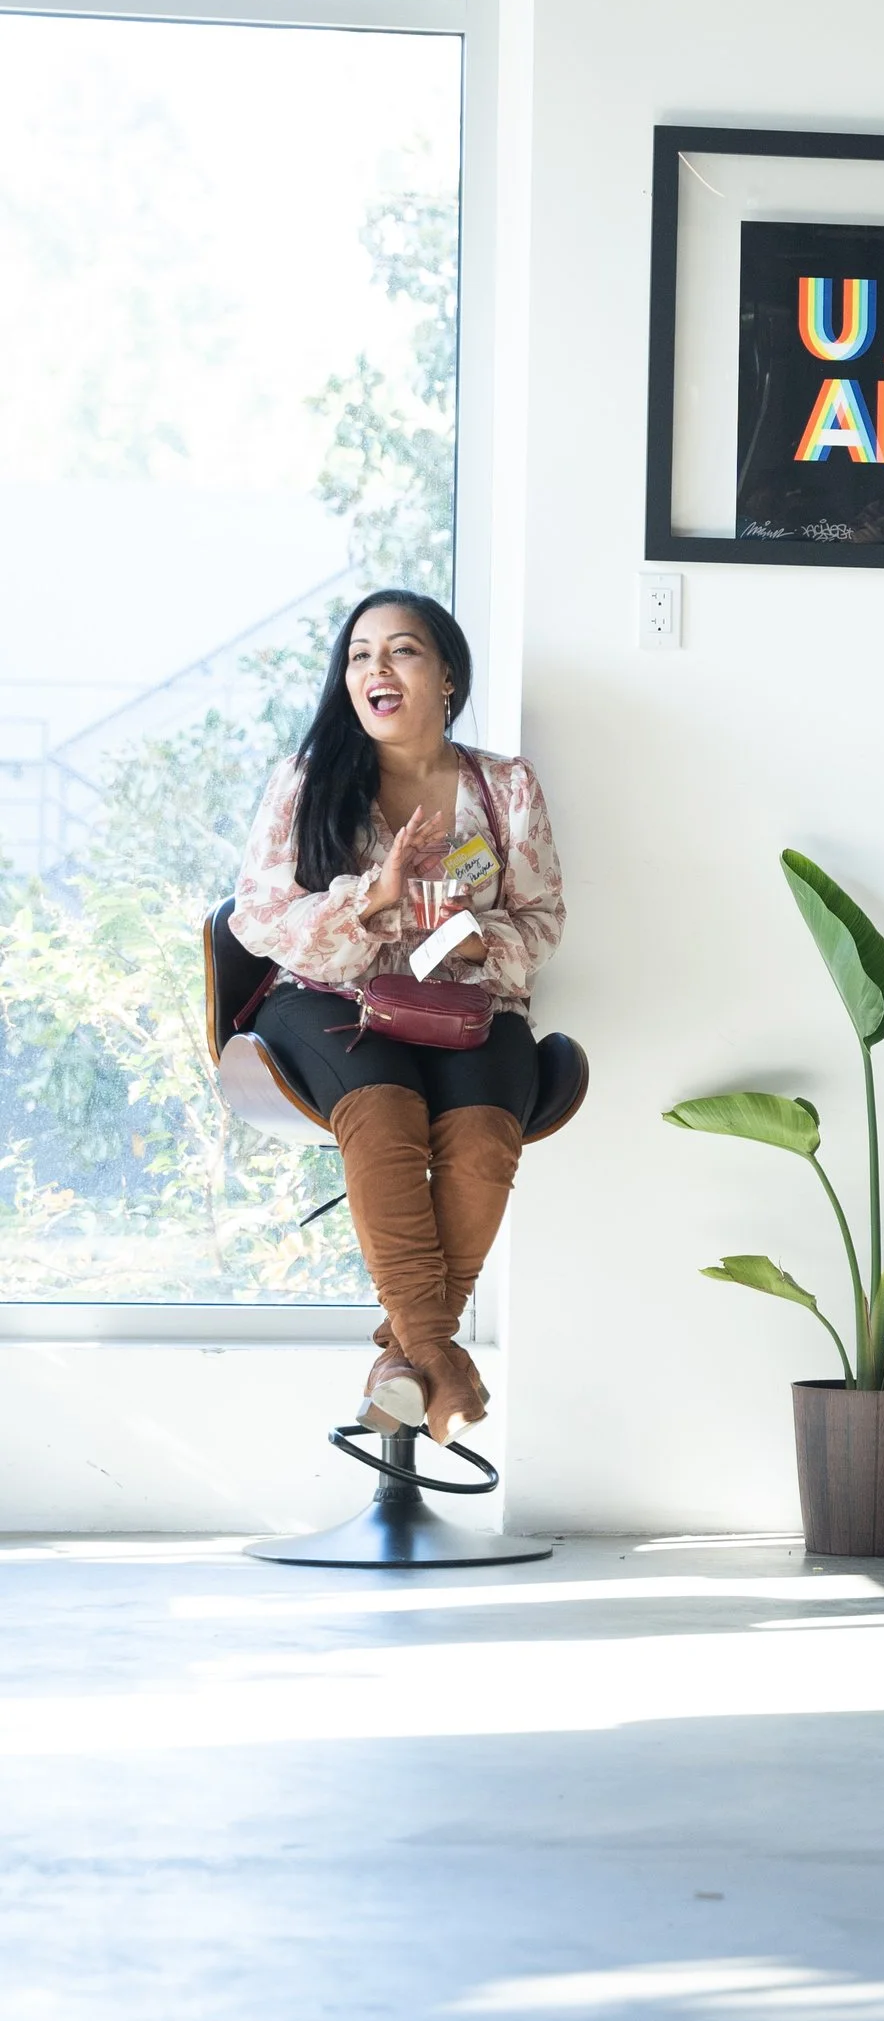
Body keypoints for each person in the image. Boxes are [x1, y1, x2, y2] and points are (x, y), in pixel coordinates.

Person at [230, 590, 564, 1446]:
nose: (376, 668)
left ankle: (401, 1367)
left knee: (485, 1134)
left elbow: (542, 921)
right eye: (359, 655)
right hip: (329, 1000)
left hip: (464, 1006)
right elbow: (258, 916)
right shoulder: (307, 779)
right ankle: (441, 1359)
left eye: (402, 650)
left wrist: (470, 937)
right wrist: (371, 900)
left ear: (447, 675)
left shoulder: (506, 786)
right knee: (384, 1115)